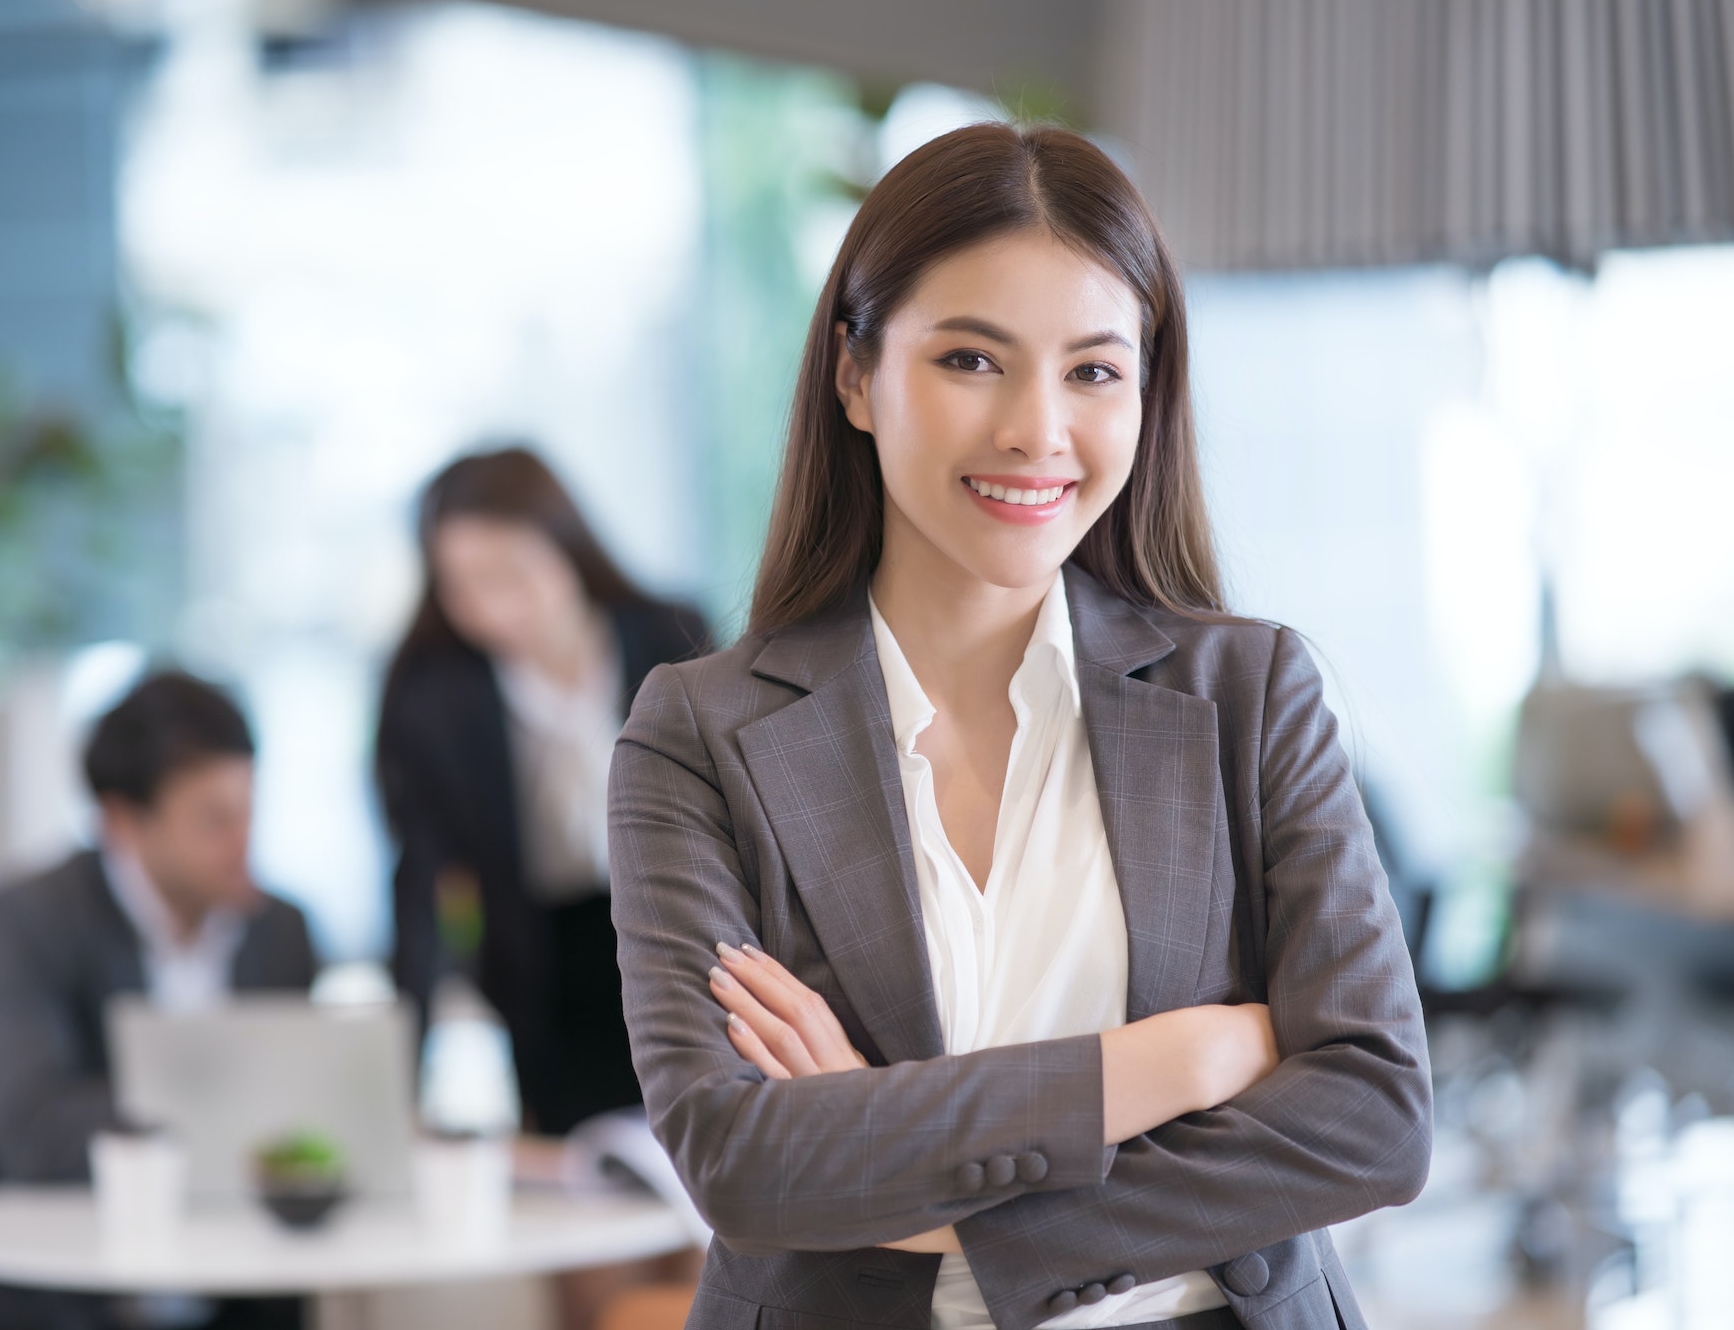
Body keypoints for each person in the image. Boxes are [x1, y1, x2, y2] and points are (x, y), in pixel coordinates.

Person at [607, 124, 1432, 1330]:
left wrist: (913, 1178)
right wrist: (1168, 1064)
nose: (1036, 431)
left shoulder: (1247, 693)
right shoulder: (697, 736)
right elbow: (741, 1160)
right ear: (854, 374)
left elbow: (1374, 1117)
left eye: (1093, 371)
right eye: (970, 361)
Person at [0, 671, 316, 1330]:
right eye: (213, 820)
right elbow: (31, 1128)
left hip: (226, 1300)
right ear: (122, 822)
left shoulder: (281, 931)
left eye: (249, 811)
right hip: (30, 1302)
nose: (242, 844)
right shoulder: (22, 922)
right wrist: (228, 1107)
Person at [377, 446, 709, 1137]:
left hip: (678, 944)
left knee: (699, 1172)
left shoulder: (670, 635)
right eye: (462, 586)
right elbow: (420, 884)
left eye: (511, 575)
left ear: (567, 548)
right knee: (586, 1180)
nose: (492, 608)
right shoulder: (434, 696)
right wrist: (399, 1079)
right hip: (542, 966)